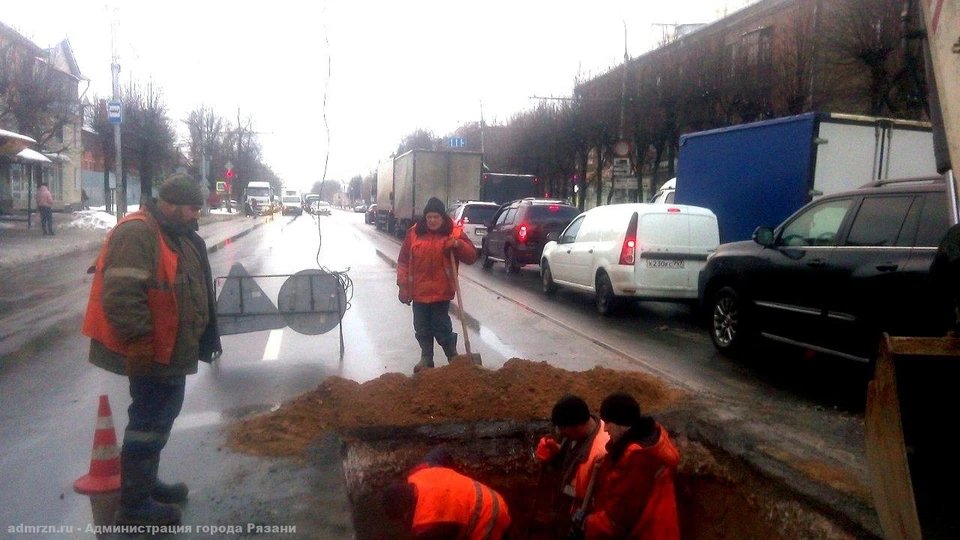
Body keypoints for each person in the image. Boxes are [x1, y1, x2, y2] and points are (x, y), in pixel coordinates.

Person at [82, 173, 222, 526]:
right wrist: (139, 341)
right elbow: (123, 293)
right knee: (149, 419)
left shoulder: (179, 235)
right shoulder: (139, 232)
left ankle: (145, 484)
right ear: (171, 205)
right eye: (192, 209)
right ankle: (134, 505)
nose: (197, 216)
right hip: (152, 350)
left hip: (172, 349)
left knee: (160, 417)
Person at [571, 392, 680, 540]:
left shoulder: (639, 459)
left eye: (608, 423)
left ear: (621, 424)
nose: (605, 428)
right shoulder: (629, 446)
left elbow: (619, 519)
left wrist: (587, 525)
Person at [397, 197, 478, 373]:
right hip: (418, 292)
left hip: (441, 291)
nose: (432, 220)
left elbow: (471, 256)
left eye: (436, 217)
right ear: (425, 218)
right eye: (429, 217)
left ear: (442, 218)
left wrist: (457, 244)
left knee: (441, 327)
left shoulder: (453, 233)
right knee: (421, 327)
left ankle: (453, 358)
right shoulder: (414, 234)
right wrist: (403, 286)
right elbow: (403, 262)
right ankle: (426, 358)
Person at [383, 447, 514, 539]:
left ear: (405, 511)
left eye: (401, 519)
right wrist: (455, 480)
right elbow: (441, 452)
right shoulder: (422, 472)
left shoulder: (428, 525)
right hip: (491, 497)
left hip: (488, 519)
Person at [535, 395, 610, 519]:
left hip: (584, 519)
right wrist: (556, 456)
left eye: (563, 429)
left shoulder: (602, 452)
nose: (561, 433)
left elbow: (603, 502)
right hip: (568, 512)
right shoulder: (579, 434)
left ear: (577, 426)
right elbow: (573, 466)